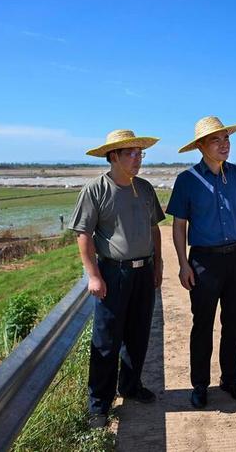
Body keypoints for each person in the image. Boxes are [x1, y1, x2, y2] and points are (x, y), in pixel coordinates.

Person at [69, 129, 165, 428]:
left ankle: (131, 386)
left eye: (140, 154)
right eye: (131, 154)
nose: (138, 160)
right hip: (113, 272)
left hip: (143, 271)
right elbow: (83, 235)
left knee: (138, 335)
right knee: (107, 340)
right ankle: (99, 404)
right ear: (114, 157)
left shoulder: (145, 188)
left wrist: (158, 263)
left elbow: (154, 229)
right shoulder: (96, 190)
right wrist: (93, 275)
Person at [166, 116, 236, 409]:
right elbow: (179, 225)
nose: (224, 145)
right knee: (202, 324)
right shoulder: (187, 181)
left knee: (234, 322)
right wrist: (183, 264)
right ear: (201, 146)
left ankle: (231, 380)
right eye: (216, 140)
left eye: (226, 139)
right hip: (203, 261)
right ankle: (200, 385)